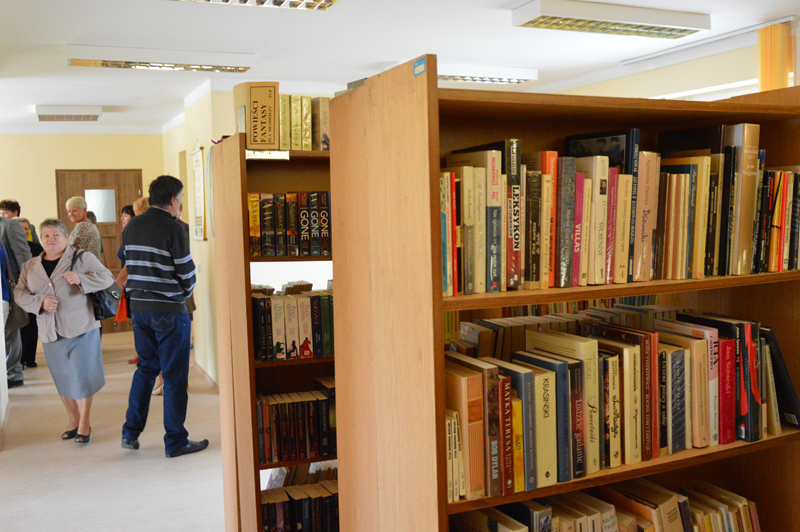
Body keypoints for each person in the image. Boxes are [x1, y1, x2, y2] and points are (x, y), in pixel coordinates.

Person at [121, 176, 207, 457]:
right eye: (180, 199)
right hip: (169, 310)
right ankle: (176, 441)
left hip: (139, 308)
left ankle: (130, 432)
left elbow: (130, 264)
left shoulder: (133, 225)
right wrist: (184, 293)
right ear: (173, 200)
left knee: (145, 369)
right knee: (174, 376)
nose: (180, 204)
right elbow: (186, 273)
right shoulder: (174, 228)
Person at [14, 219, 114, 442]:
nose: (51, 240)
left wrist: (81, 278)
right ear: (40, 238)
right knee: (62, 377)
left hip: (81, 327)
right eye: (46, 236)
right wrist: (40, 302)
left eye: (56, 235)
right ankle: (73, 419)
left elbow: (107, 278)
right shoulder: (30, 266)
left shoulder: (81, 257)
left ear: (66, 238)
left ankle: (84, 422)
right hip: (50, 329)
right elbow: (19, 293)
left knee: (81, 376)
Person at [1, 216, 32, 388]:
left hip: (8, 288)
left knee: (10, 331)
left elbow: (24, 259)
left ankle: (13, 374)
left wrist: (25, 289)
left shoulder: (9, 225)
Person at [16, 217, 44, 369]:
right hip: (19, 290)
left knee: (33, 323)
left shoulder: (36, 247)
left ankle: (30, 358)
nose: (24, 231)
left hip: (34, 290)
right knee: (20, 325)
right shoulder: (10, 247)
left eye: (26, 228)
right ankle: (19, 359)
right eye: (21, 228)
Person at [65, 196, 102, 261]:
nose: (71, 214)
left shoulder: (83, 226)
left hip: (84, 265)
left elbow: (72, 251)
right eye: (69, 211)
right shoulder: (90, 225)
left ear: (84, 210)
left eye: (75, 211)